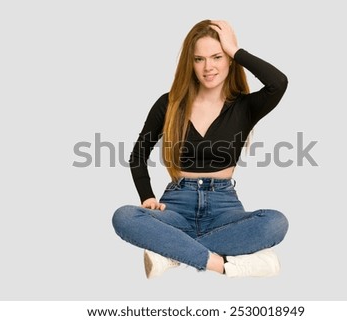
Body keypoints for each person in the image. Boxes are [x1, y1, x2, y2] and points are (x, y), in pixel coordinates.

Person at [112, 20, 289, 278]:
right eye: (199, 59)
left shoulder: (245, 106)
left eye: (217, 56)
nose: (209, 67)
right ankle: (223, 265)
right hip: (175, 207)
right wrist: (147, 197)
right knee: (124, 217)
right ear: (190, 63)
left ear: (229, 60)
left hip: (224, 208)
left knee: (275, 223)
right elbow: (138, 155)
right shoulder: (169, 103)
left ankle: (171, 254)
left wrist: (236, 49)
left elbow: (278, 83)